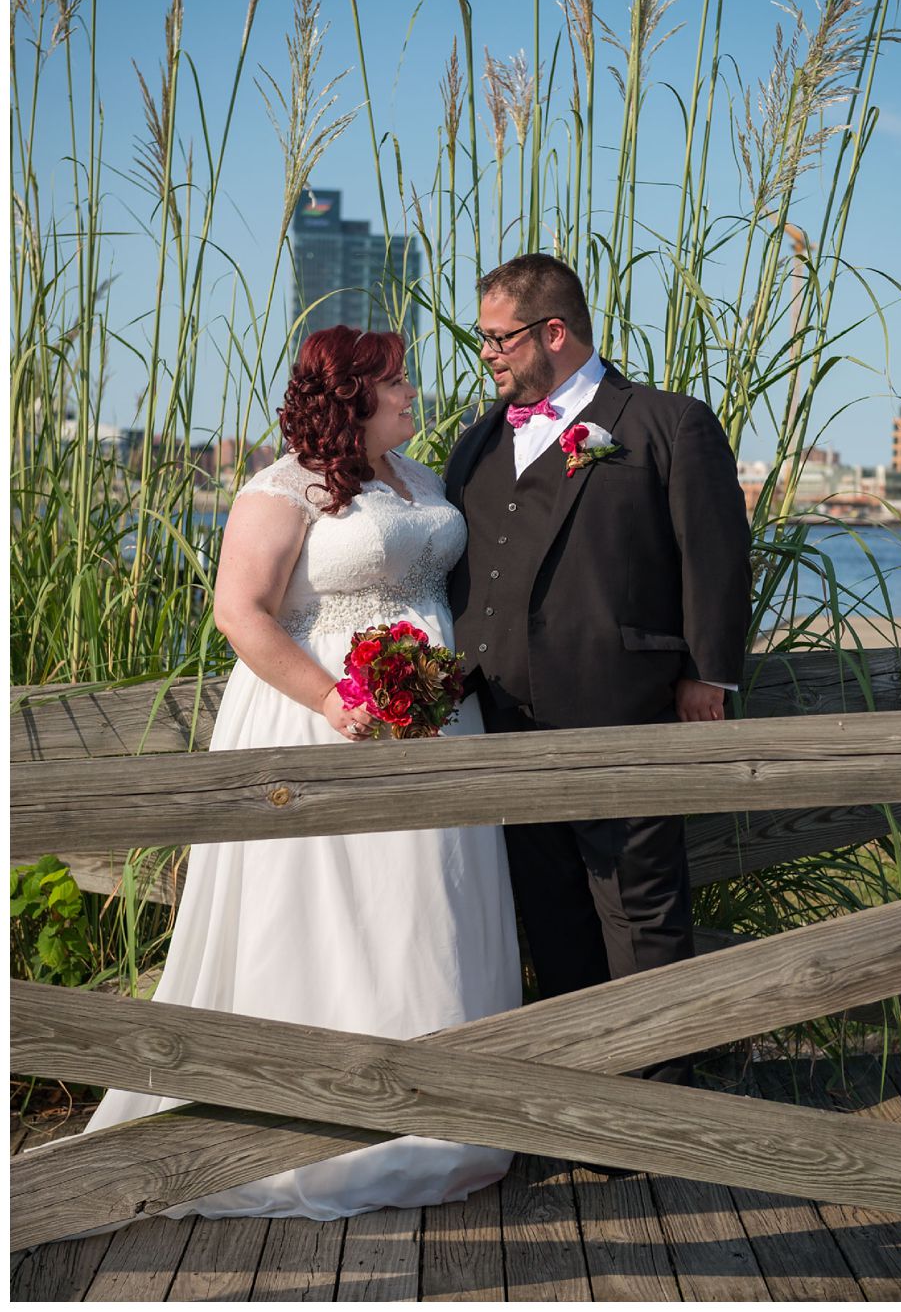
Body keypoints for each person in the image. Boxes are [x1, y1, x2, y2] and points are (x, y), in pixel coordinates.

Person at [82, 326, 519, 1218]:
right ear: (349, 395)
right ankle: (325, 1126)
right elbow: (240, 612)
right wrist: (330, 699)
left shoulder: (422, 479)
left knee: (430, 901)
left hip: (435, 723)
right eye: (395, 382)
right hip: (328, 723)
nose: (410, 394)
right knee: (336, 915)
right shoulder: (282, 488)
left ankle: (447, 1114)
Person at [444, 254, 751, 1081]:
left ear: (555, 331)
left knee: (641, 911)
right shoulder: (476, 442)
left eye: (498, 337)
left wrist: (710, 676)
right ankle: (588, 1097)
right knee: (550, 914)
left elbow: (715, 558)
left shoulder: (665, 423)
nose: (487, 354)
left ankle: (661, 1104)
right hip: (502, 723)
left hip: (626, 712)